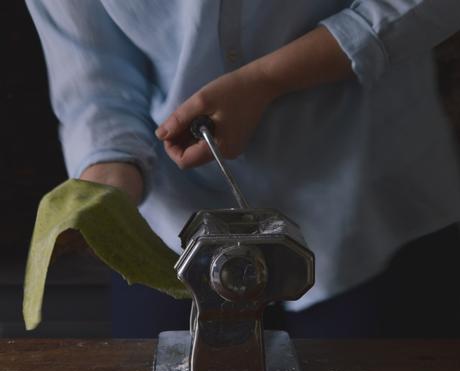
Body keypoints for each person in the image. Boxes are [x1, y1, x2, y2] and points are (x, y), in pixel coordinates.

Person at [27, 0, 460, 338]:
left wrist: (267, 80)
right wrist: (109, 189)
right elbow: (98, 87)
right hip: (171, 231)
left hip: (365, 196)